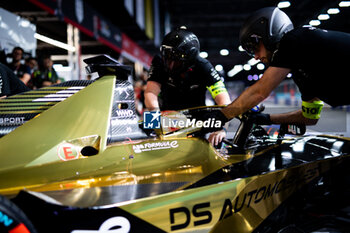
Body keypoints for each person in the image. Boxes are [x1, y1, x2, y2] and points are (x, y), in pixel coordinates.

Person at [204, 7, 350, 130]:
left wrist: (220, 117)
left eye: (254, 47)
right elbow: (310, 118)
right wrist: (266, 119)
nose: (255, 57)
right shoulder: (303, 70)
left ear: (269, 35)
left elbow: (260, 92)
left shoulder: (293, 40)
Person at [144, 27, 231, 146]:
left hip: (196, 120)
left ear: (191, 59)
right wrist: (155, 119)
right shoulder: (159, 61)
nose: (170, 65)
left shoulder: (203, 66)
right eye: (168, 60)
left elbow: (224, 101)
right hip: (167, 115)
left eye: (176, 61)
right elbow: (150, 92)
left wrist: (221, 129)